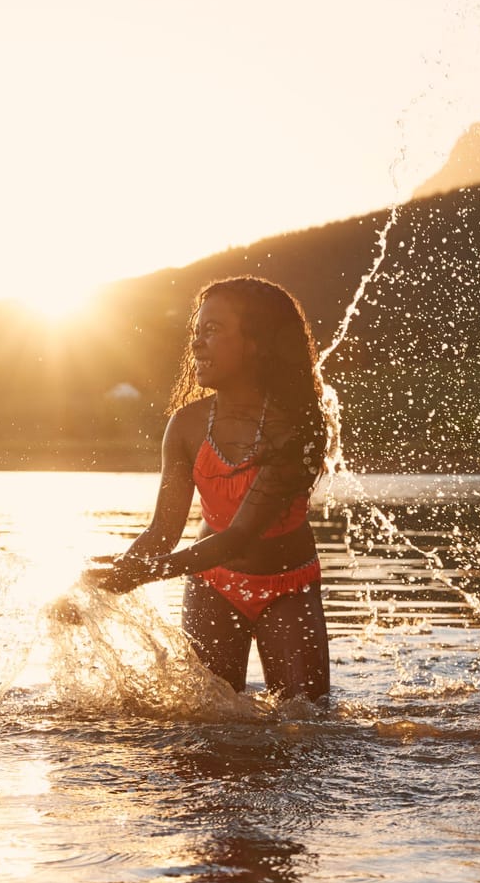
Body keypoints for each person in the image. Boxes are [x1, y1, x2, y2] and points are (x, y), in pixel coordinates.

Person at [85, 277, 332, 702]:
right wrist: (107, 582)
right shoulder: (185, 425)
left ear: (257, 343)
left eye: (213, 331)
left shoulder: (299, 429)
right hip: (212, 585)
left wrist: (146, 572)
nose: (197, 345)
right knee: (208, 723)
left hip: (290, 588)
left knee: (306, 724)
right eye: (196, 333)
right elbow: (162, 531)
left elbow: (239, 537)